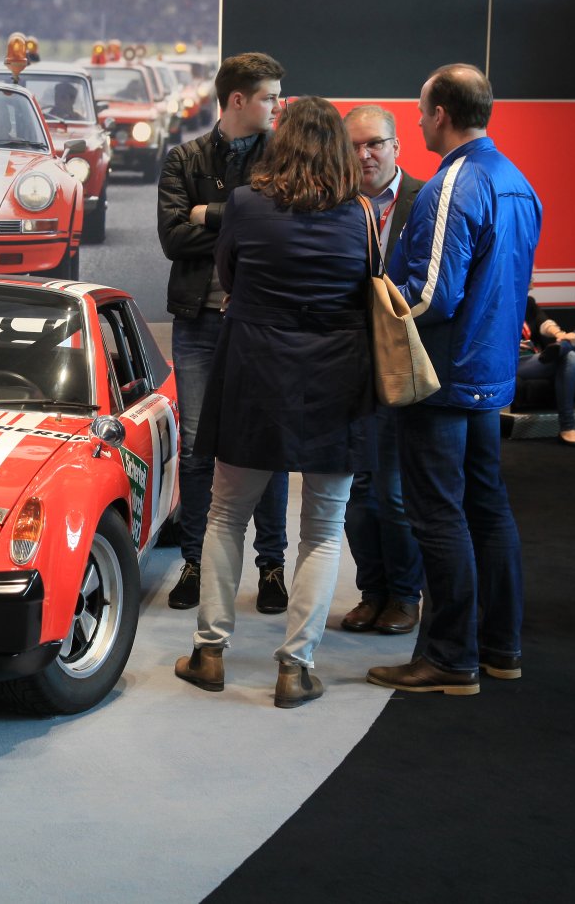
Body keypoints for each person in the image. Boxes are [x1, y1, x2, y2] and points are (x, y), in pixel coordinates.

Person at [172, 97, 375, 709]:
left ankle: (209, 653)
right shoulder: (360, 213)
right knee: (324, 528)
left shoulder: (244, 204)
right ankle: (295, 667)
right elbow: (368, 287)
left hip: (255, 368)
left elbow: (230, 278)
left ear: (281, 145)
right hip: (337, 377)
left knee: (225, 514)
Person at [368, 63, 542, 694]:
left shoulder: (453, 183)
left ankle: (448, 657)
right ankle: (499, 649)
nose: (417, 121)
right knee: (487, 508)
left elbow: (431, 296)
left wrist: (375, 314)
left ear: (440, 114)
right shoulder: (518, 182)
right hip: (488, 373)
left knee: (438, 515)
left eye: (421, 110)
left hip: (442, 379)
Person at [157, 52, 291, 614]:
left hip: (261, 323)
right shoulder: (183, 158)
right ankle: (193, 562)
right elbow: (172, 239)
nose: (277, 106)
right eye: (269, 97)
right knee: (195, 450)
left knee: (267, 444)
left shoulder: (283, 156)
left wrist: (207, 214)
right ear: (238, 100)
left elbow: (282, 231)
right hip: (199, 323)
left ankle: (272, 566)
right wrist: (244, 223)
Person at [340, 105, 425, 636]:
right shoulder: (334, 205)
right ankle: (371, 592)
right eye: (353, 146)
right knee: (355, 495)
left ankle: (404, 596)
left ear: (396, 147)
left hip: (399, 366)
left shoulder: (424, 200)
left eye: (374, 143)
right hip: (348, 370)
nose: (364, 154)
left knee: (393, 493)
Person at [516, 295, 575, 447]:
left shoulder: (527, 302)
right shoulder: (495, 301)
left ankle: (563, 347)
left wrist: (560, 335)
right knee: (570, 356)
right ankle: (567, 428)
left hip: (539, 358)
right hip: (513, 362)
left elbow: (544, 322)